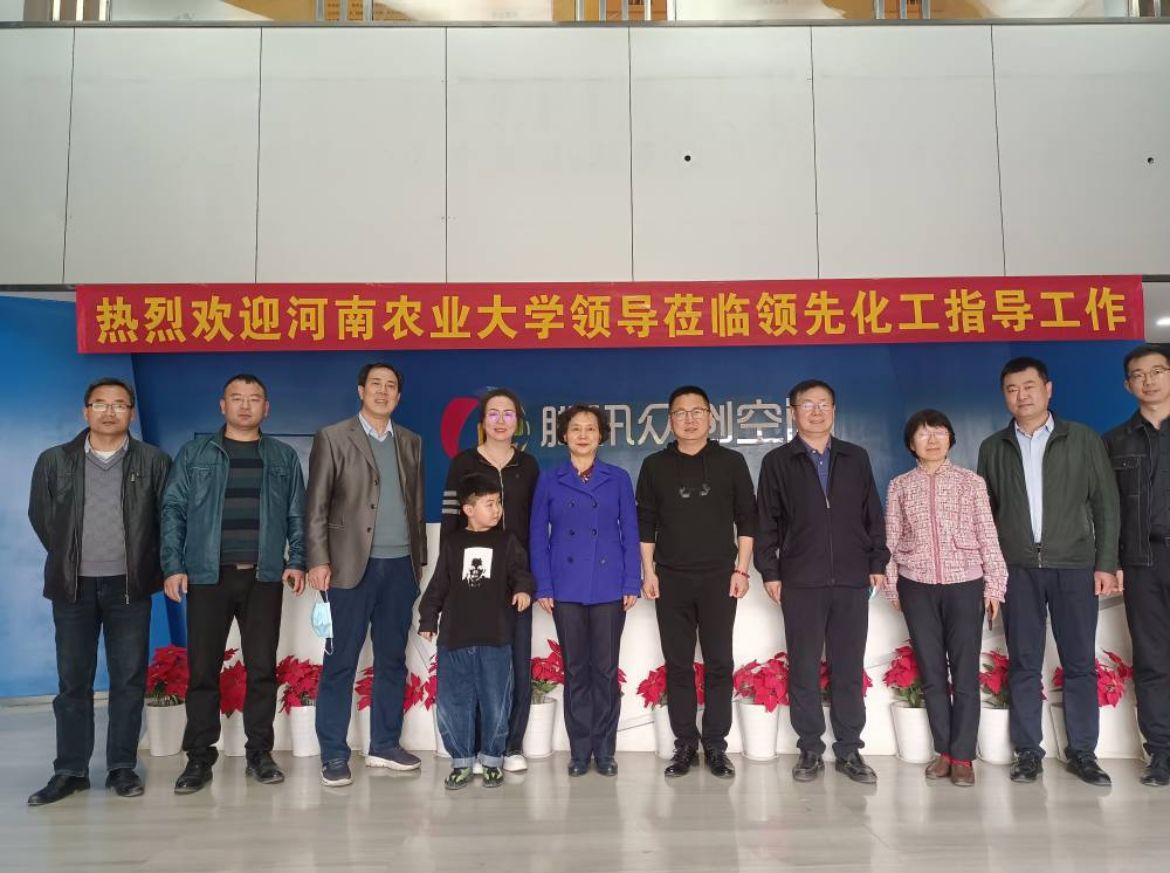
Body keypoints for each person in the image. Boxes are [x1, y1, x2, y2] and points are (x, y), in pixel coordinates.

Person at [27, 377, 170, 805]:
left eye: (119, 404)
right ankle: (70, 770)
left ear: (131, 413)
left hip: (129, 586)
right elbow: (42, 517)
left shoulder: (154, 461)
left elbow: (166, 521)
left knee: (128, 678)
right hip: (73, 587)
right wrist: (73, 558)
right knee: (73, 680)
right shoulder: (55, 460)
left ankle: (121, 767)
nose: (110, 412)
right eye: (101, 404)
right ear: (85, 411)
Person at [160, 374, 306, 794]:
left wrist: (297, 559)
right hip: (208, 575)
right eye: (236, 398)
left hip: (263, 576)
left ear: (266, 408)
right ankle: (199, 757)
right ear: (222, 406)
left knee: (262, 668)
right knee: (203, 669)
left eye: (254, 399)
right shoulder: (196, 454)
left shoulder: (282, 457)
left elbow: (296, 513)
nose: (245, 405)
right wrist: (173, 565)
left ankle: (260, 753)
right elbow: (173, 509)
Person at [978, 356, 1119, 787]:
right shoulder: (993, 447)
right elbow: (986, 517)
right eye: (1012, 389)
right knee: (1023, 662)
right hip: (1018, 569)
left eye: (1029, 387)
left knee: (1079, 662)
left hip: (1074, 566)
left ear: (1048, 389)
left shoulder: (1082, 439)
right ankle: (1027, 752)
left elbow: (1106, 504)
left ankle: (1083, 752)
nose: (1021, 396)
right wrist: (992, 576)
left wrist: (1105, 562)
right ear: (1004, 396)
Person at [754, 379, 888, 785]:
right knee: (804, 666)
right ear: (793, 412)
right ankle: (810, 748)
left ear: (834, 410)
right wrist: (771, 571)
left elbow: (872, 514)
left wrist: (877, 561)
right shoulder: (778, 461)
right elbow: (766, 522)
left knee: (848, 666)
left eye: (824, 404)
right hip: (801, 580)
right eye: (807, 404)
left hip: (851, 578)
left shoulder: (855, 457)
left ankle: (849, 749)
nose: (816, 411)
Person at [306, 362, 426, 787]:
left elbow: (415, 504)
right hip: (348, 568)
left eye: (391, 386)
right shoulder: (333, 437)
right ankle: (334, 754)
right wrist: (318, 560)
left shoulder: (410, 441)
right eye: (375, 384)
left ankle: (385, 745)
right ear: (361, 390)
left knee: (392, 659)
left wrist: (418, 564)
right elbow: (316, 505)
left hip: (400, 567)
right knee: (341, 661)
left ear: (398, 396)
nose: (382, 391)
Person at [883, 409, 1008, 787]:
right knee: (932, 672)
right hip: (916, 585)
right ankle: (945, 753)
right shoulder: (900, 486)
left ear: (951, 438)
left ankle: (964, 756)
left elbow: (988, 535)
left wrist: (994, 586)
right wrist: (892, 585)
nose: (932, 439)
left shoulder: (971, 483)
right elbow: (890, 539)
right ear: (911, 444)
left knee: (965, 672)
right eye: (923, 434)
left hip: (965, 584)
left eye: (939, 432)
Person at [637, 386, 755, 780]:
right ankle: (685, 744)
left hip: (720, 578)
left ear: (710, 416)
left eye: (697, 411)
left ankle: (716, 745)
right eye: (680, 413)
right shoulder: (654, 466)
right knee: (678, 664)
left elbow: (747, 518)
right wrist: (649, 571)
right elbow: (646, 523)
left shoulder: (731, 462)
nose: (689, 419)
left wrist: (741, 570)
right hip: (670, 578)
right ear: (670, 420)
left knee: (720, 661)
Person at [530, 404, 640, 777]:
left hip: (609, 586)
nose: (582, 435)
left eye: (590, 428)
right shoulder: (550, 479)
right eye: (575, 428)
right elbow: (537, 536)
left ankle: (605, 751)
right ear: (564, 435)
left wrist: (631, 580)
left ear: (600, 436)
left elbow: (630, 532)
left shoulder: (618, 478)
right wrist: (544, 584)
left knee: (605, 671)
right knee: (576, 670)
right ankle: (579, 752)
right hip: (565, 586)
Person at [440, 388, 540, 772]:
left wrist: (530, 579)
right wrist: (451, 579)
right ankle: (478, 748)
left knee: (515, 662)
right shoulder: (463, 463)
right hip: (474, 582)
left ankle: (510, 746)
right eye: (493, 414)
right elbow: (450, 521)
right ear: (482, 422)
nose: (501, 421)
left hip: (516, 581)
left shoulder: (528, 465)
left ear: (518, 422)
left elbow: (536, 523)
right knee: (477, 665)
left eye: (508, 414)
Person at [419, 473, 534, 790]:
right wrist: (428, 619)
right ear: (468, 510)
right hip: (454, 638)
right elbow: (438, 585)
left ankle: (493, 760)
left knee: (497, 701)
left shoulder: (507, 541)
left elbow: (521, 572)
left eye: (498, 503)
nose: (497, 510)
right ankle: (461, 762)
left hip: (495, 638)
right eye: (489, 504)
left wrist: (523, 590)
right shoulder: (453, 544)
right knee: (454, 702)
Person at [1104, 343, 1170, 786]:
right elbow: (1106, 510)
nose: (1149, 381)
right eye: (1138, 375)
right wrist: (1110, 561)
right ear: (1128, 385)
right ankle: (1161, 752)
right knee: (1151, 658)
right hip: (1142, 561)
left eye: (1157, 371)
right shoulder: (1114, 441)